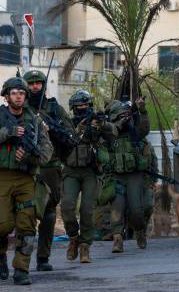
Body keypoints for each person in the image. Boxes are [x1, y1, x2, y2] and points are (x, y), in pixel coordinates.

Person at [0, 77, 53, 285]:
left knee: (27, 226)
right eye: (14, 93)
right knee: (1, 225)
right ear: (7, 96)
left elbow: (47, 153)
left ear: (26, 96)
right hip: (2, 177)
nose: (18, 96)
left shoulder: (35, 122)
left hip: (27, 178)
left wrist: (29, 156)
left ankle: (21, 270)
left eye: (22, 93)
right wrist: (5, 134)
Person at [23, 70, 75, 271]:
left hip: (50, 167)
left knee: (49, 214)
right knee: (25, 214)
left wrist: (51, 128)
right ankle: (22, 258)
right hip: (26, 167)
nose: (35, 87)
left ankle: (43, 258)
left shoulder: (55, 109)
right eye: (31, 83)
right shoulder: (19, 108)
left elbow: (70, 137)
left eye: (38, 83)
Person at [62, 90, 117, 264]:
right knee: (67, 207)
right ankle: (73, 238)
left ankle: (85, 246)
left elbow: (113, 133)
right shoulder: (68, 124)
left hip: (90, 172)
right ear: (73, 108)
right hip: (70, 171)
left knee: (87, 210)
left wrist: (102, 124)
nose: (82, 109)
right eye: (79, 107)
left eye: (85, 106)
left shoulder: (96, 124)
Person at [104, 97, 151, 253]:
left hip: (134, 176)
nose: (124, 118)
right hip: (116, 176)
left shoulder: (133, 132)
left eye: (126, 115)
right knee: (117, 210)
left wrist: (142, 110)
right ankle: (117, 239)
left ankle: (140, 231)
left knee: (137, 210)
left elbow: (144, 128)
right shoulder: (109, 133)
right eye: (120, 115)